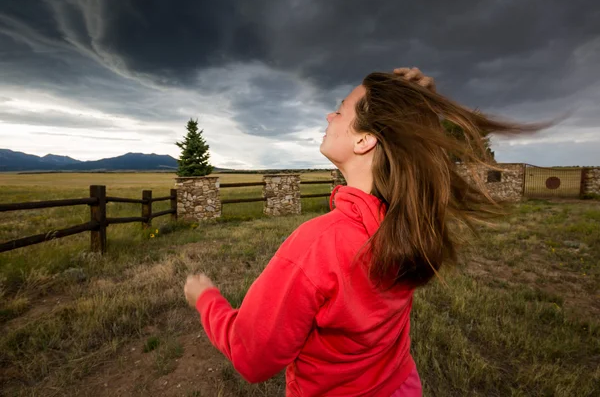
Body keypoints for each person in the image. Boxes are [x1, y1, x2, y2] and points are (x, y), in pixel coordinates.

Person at [184, 67, 543, 396]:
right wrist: (420, 108)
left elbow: (254, 357)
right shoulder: (407, 222)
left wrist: (206, 300)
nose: (329, 115)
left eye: (340, 110)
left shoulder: (318, 244)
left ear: (364, 141)